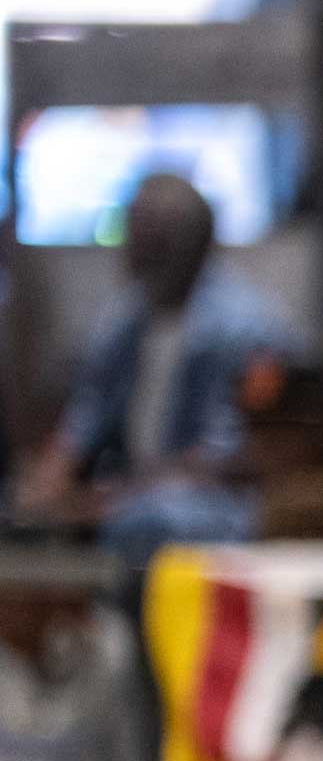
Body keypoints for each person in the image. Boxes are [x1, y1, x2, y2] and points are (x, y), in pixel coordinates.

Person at [13, 172, 297, 524]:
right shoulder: (125, 319)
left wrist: (130, 491)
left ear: (194, 242)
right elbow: (89, 414)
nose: (133, 251)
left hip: (210, 501)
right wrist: (49, 481)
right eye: (135, 235)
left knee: (152, 518)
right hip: (125, 489)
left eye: (151, 238)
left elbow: (247, 452)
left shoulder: (245, 326)